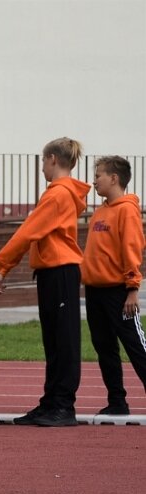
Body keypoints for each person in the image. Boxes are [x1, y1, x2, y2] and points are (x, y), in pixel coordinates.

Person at [0, 137, 90, 427]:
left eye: (43, 161)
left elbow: (27, 232)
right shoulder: (59, 194)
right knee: (54, 340)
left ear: (53, 159)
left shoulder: (57, 195)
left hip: (61, 271)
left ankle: (63, 405)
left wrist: (0, 265)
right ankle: (51, 401)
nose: (42, 167)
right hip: (52, 271)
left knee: (64, 341)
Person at [81, 156, 146, 415]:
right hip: (95, 291)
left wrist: (132, 288)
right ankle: (117, 402)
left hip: (118, 291)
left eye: (98, 175)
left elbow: (131, 249)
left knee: (134, 344)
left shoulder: (126, 210)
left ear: (114, 178)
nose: (94, 180)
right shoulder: (101, 210)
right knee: (104, 346)